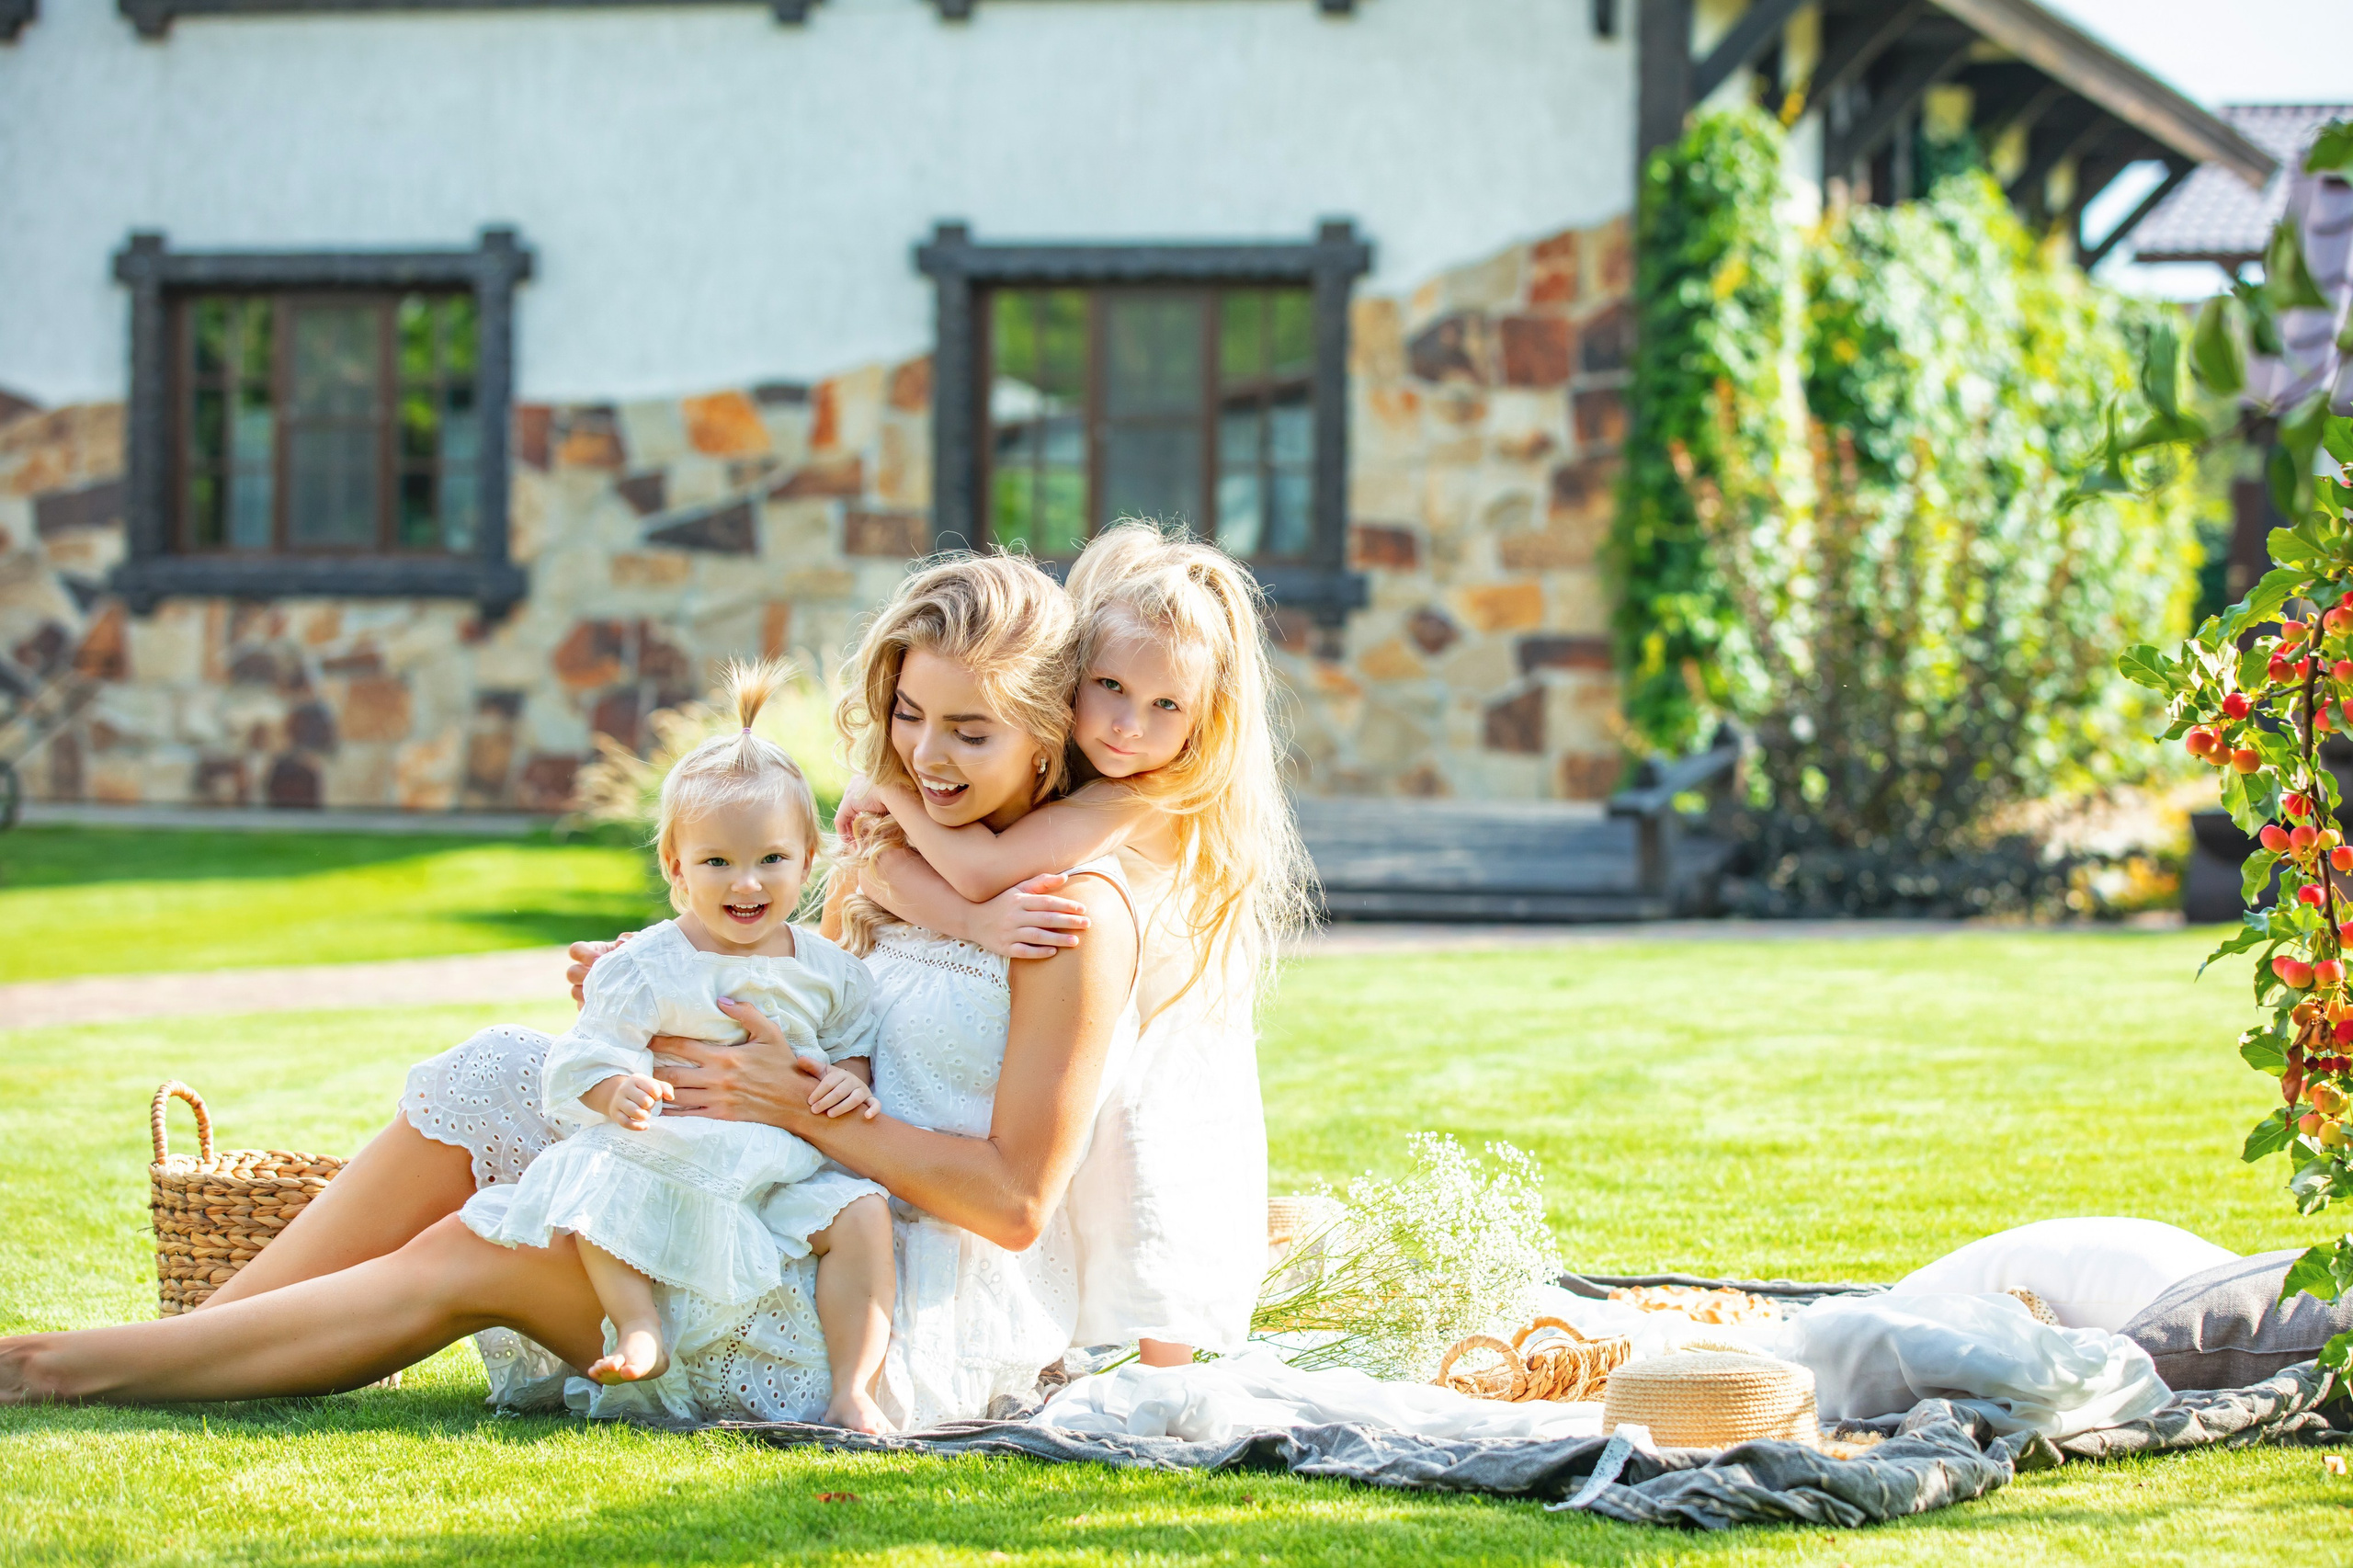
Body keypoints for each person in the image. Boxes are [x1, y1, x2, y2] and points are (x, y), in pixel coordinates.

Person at [0, 553, 1142, 1431]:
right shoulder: (898, 859)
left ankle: (53, 1366)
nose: (925, 755)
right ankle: (194, 1342)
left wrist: (794, 1105)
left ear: (1044, 742)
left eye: (969, 730)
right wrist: (667, 972)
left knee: (477, 1248)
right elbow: (796, 1000)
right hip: (757, 1175)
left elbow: (1012, 1204)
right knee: (495, 1067)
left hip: (877, 1284)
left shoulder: (1063, 922)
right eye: (908, 715)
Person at [836, 521, 1308, 1368]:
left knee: (1153, 1197)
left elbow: (984, 875)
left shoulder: (1147, 792)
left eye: (1168, 706)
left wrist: (892, 788)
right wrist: (894, 804)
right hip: (1111, 1014)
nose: (1128, 725)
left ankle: (1169, 1381)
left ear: (1206, 720)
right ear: (1070, 682)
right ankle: (1084, 1349)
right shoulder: (1081, 768)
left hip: (1167, 1034)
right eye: (1111, 688)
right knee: (1094, 1202)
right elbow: (877, 878)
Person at [462, 659, 895, 1431]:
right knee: (595, 1186)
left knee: (862, 1214)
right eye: (717, 862)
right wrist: (613, 1089)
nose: (747, 883)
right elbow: (590, 1049)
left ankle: (853, 1386)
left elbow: (852, 1042)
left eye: (771, 859)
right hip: (670, 1149)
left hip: (778, 1162)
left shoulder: (828, 971)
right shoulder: (647, 964)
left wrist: (851, 1082)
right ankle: (640, 1327)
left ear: (809, 858)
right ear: (675, 867)